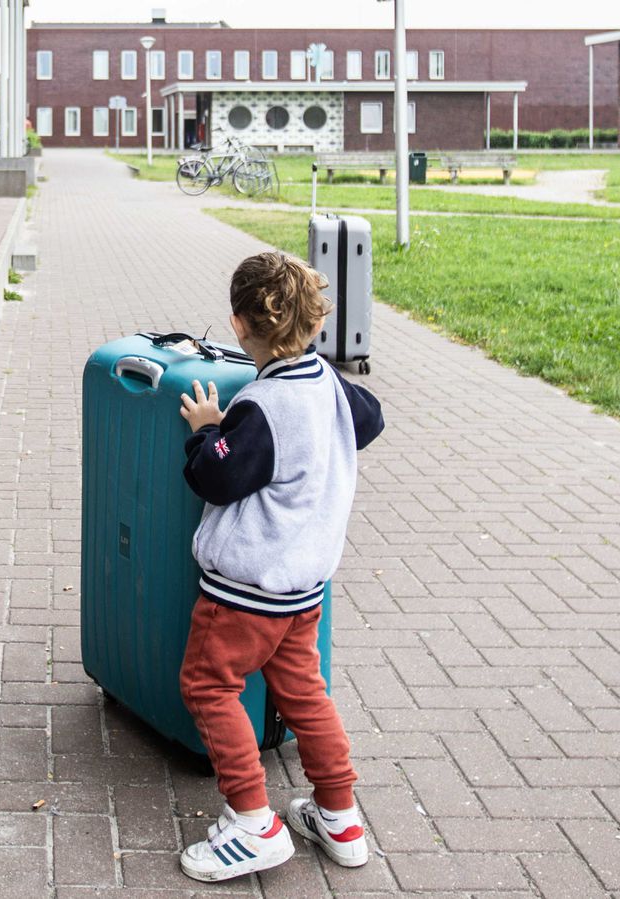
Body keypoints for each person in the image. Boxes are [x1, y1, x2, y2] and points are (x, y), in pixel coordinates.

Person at [175, 252, 384, 882]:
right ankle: (340, 816)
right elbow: (369, 419)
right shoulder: (328, 385)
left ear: (239, 325)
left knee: (210, 685)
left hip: (244, 592)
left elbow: (217, 474)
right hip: (303, 588)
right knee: (304, 696)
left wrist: (209, 428)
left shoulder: (262, 406)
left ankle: (253, 822)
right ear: (315, 325)